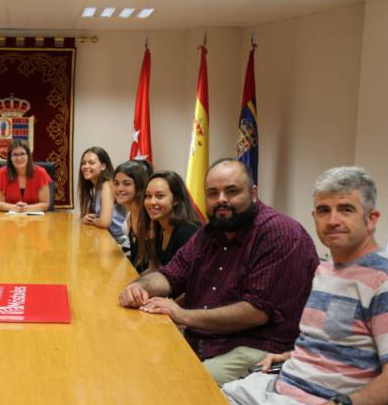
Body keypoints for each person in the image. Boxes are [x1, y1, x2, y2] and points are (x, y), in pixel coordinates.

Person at [222, 166, 388, 405]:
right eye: (324, 210)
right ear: (314, 217)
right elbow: (343, 341)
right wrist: (293, 354)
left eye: (346, 209)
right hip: (278, 388)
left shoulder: (384, 283)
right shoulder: (325, 269)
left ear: (371, 218)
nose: (333, 220)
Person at [119, 158, 319, 384]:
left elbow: (256, 311)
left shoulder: (279, 233)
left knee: (184, 384)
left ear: (253, 193)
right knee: (135, 357)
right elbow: (171, 274)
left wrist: (183, 315)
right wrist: (139, 287)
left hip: (257, 346)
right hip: (204, 338)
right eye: (213, 193)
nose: (221, 199)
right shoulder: (209, 233)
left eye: (232, 191)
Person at [138, 170, 201, 271]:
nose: (152, 202)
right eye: (148, 196)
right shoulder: (160, 226)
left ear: (176, 200)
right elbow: (154, 269)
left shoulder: (186, 232)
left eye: (160, 196)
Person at [78, 146, 128, 246]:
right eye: (83, 163)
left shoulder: (107, 185)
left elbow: (105, 222)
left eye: (91, 163)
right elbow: (90, 215)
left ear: (103, 166)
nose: (85, 166)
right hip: (109, 238)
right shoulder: (95, 187)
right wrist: (85, 218)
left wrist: (89, 220)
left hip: (121, 243)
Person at [0, 140, 51, 213]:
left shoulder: (41, 173)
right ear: (10, 158)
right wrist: (15, 207)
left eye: (22, 154)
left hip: (35, 218)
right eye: (15, 155)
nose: (19, 158)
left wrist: (26, 208)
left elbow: (45, 204)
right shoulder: (2, 173)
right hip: (9, 218)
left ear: (28, 156)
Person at [112, 161, 149, 270]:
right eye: (116, 183)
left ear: (139, 186)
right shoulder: (129, 215)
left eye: (127, 183)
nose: (119, 189)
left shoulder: (148, 216)